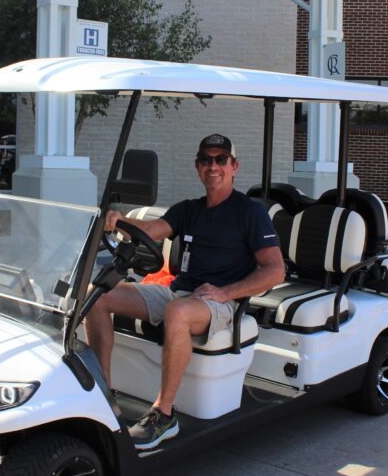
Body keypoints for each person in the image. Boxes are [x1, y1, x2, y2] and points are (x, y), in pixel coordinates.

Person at [86, 134, 285, 450]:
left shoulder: (250, 212)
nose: (213, 166)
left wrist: (225, 293)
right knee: (96, 294)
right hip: (179, 294)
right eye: (206, 160)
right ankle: (104, 394)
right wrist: (117, 221)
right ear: (197, 167)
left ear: (234, 166)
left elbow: (275, 270)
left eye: (221, 159)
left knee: (176, 313)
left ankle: (163, 415)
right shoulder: (188, 209)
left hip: (218, 302)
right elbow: (149, 231)